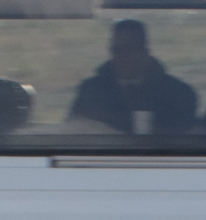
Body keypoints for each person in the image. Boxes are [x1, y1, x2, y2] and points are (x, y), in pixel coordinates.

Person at [66, 19, 198, 134]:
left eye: (129, 50)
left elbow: (183, 136)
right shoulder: (90, 90)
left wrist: (111, 119)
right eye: (117, 50)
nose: (122, 57)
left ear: (145, 52)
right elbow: (74, 130)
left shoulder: (179, 93)